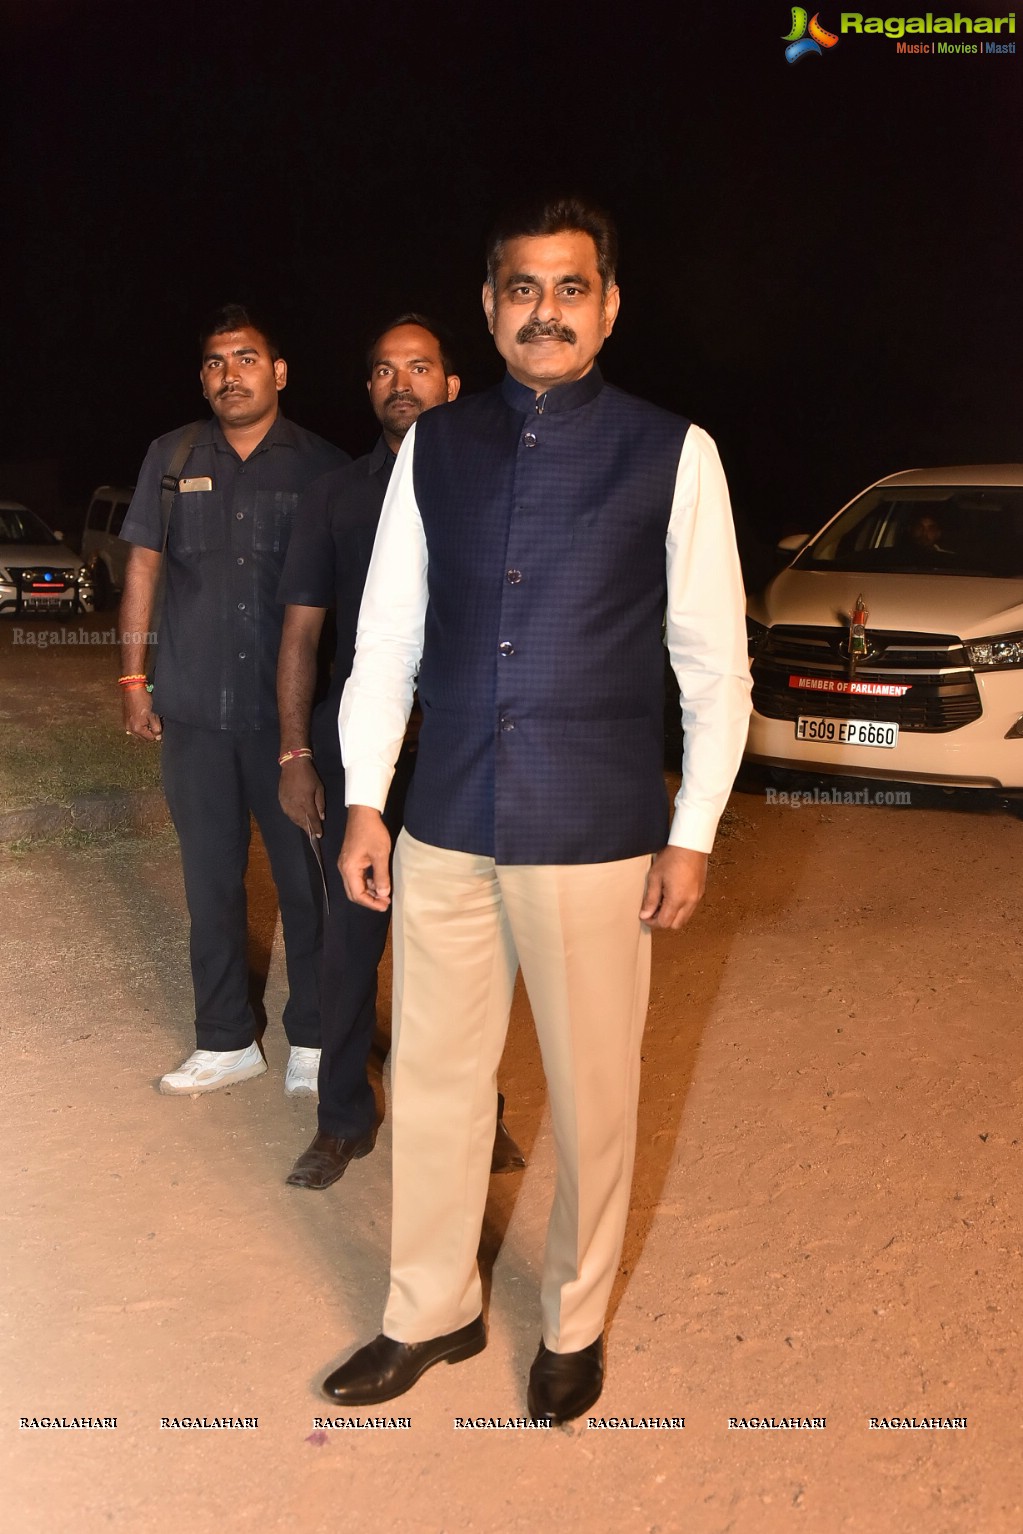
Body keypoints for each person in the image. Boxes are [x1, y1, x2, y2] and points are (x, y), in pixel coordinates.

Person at [326, 198, 752, 1423]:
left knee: (595, 1092)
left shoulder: (676, 452)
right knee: (440, 1077)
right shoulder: (434, 448)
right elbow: (390, 637)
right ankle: (430, 1308)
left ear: (609, 305)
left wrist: (696, 828)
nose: (545, 309)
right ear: (490, 305)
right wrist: (368, 805)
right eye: (523, 287)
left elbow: (712, 662)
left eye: (571, 288)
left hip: (599, 832)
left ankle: (573, 1321)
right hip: (447, 819)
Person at [275, 316, 526, 1188]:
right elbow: (302, 636)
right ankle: (343, 1116)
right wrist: (296, 753)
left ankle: (474, 1120)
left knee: (466, 946)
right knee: (351, 944)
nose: (400, 383)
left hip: (463, 755)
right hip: (361, 756)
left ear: (454, 386)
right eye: (383, 370)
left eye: (420, 367)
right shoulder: (336, 497)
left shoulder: (496, 486)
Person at [119, 304, 347, 1096]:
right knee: (209, 881)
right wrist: (132, 678)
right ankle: (225, 1040)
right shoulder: (171, 456)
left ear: (278, 372)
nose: (229, 374)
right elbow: (143, 568)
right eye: (215, 362)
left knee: (304, 883)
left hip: (291, 725)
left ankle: (316, 1041)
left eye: (246, 358)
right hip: (192, 716)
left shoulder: (324, 467)